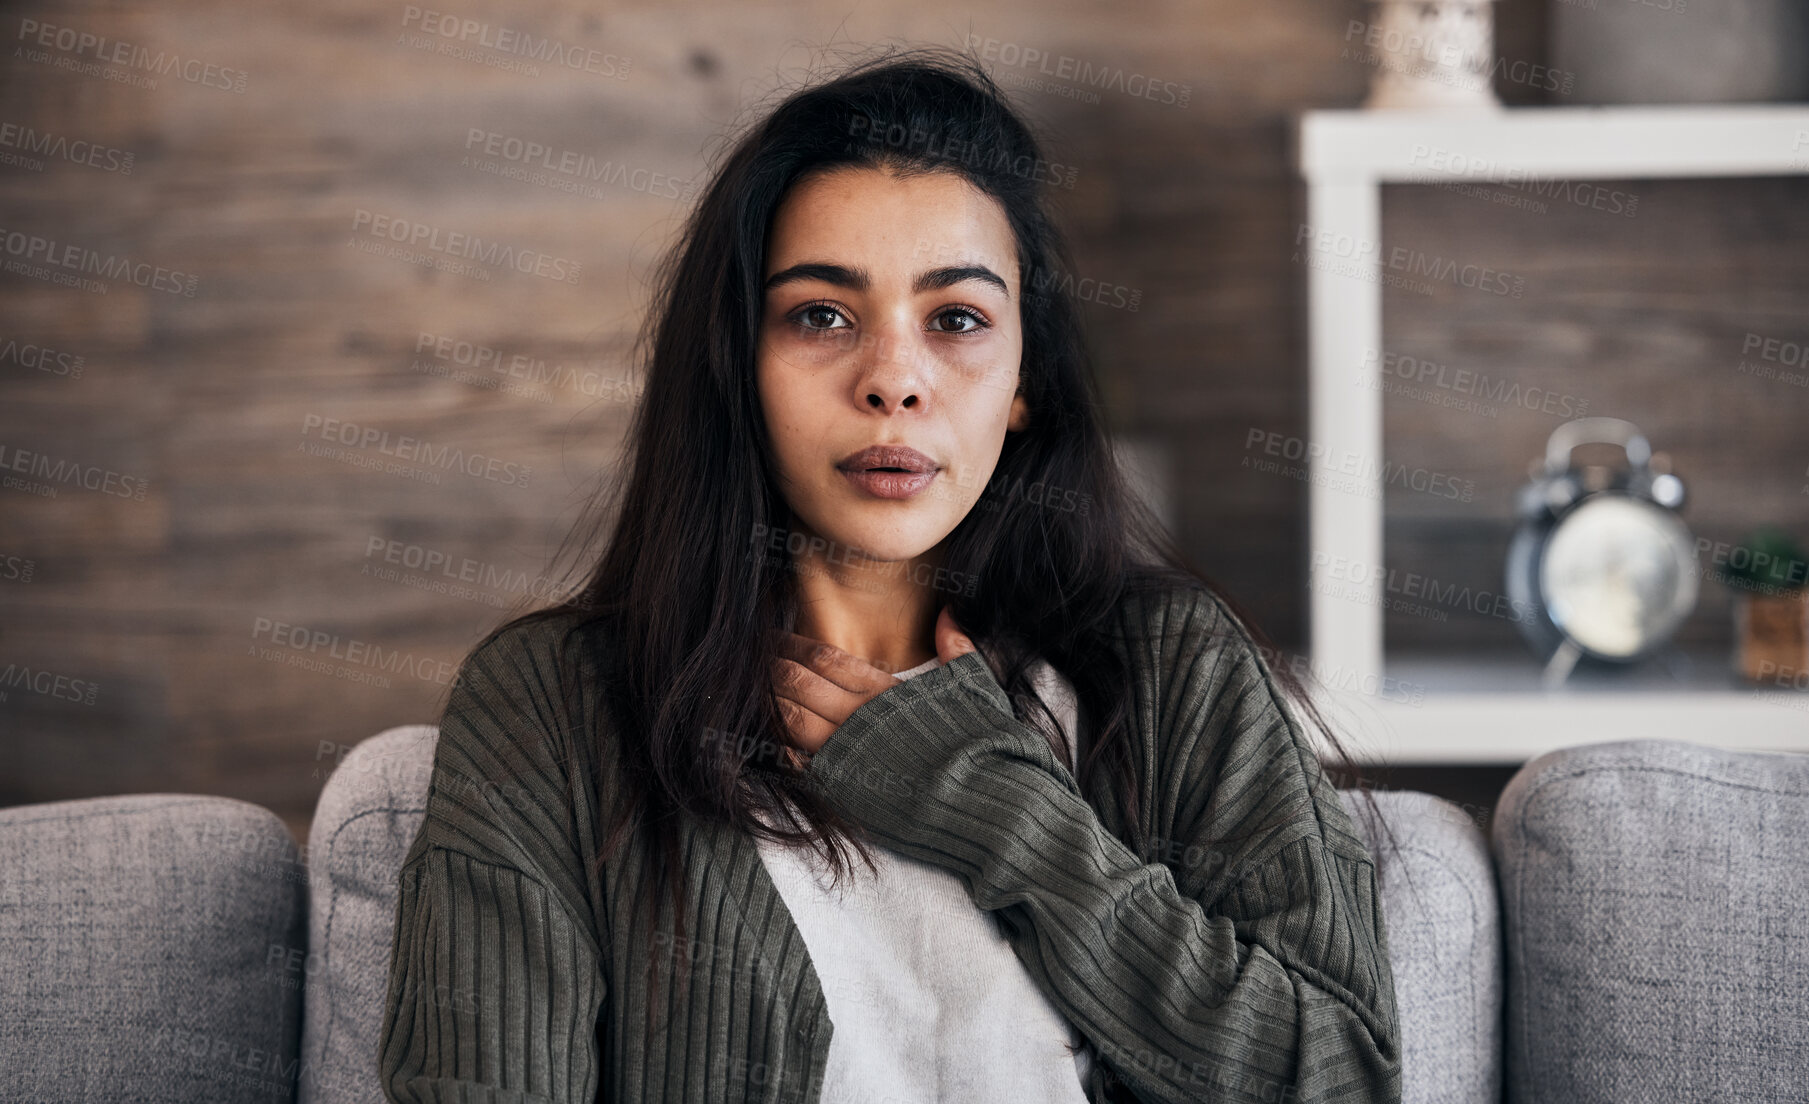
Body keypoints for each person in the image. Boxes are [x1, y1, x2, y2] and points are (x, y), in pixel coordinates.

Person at [379, 45, 1403, 1104]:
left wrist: (1000, 812)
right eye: (821, 315)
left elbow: (1340, 1081)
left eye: (956, 319)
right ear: (739, 364)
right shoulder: (552, 706)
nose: (894, 382)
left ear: (1024, 385)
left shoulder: (1168, 668)